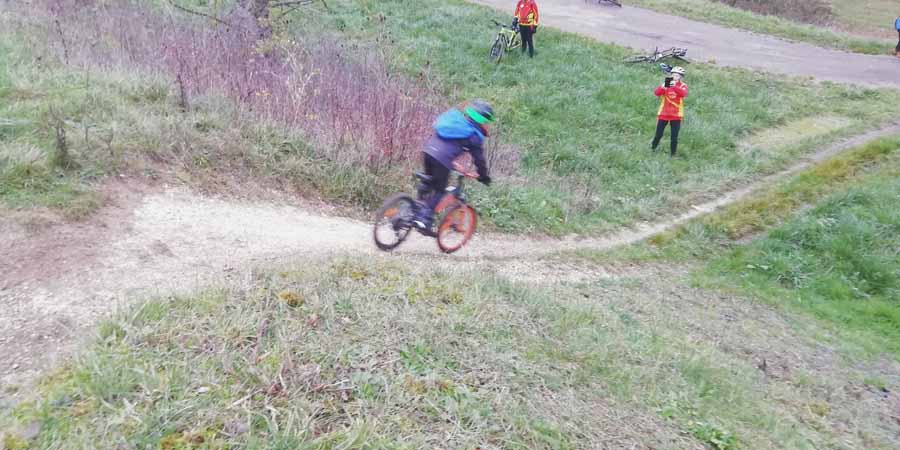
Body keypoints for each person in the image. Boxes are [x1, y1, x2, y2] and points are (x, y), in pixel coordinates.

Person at [413, 101, 494, 232]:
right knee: (440, 190)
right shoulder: (474, 135)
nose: (487, 125)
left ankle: (414, 208)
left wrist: (451, 163)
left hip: (428, 152)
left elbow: (445, 144)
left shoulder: (455, 122)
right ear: (482, 120)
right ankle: (423, 218)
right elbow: (479, 160)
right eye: (487, 122)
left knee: (430, 182)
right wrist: (484, 176)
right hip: (442, 160)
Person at [651, 66, 688, 157]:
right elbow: (657, 93)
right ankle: (653, 149)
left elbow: (683, 94)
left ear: (680, 77)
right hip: (664, 113)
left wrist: (674, 86)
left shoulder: (683, 86)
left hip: (676, 115)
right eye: (673, 75)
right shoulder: (667, 83)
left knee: (674, 137)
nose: (675, 77)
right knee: (658, 134)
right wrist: (662, 87)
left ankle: (673, 154)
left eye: (677, 76)